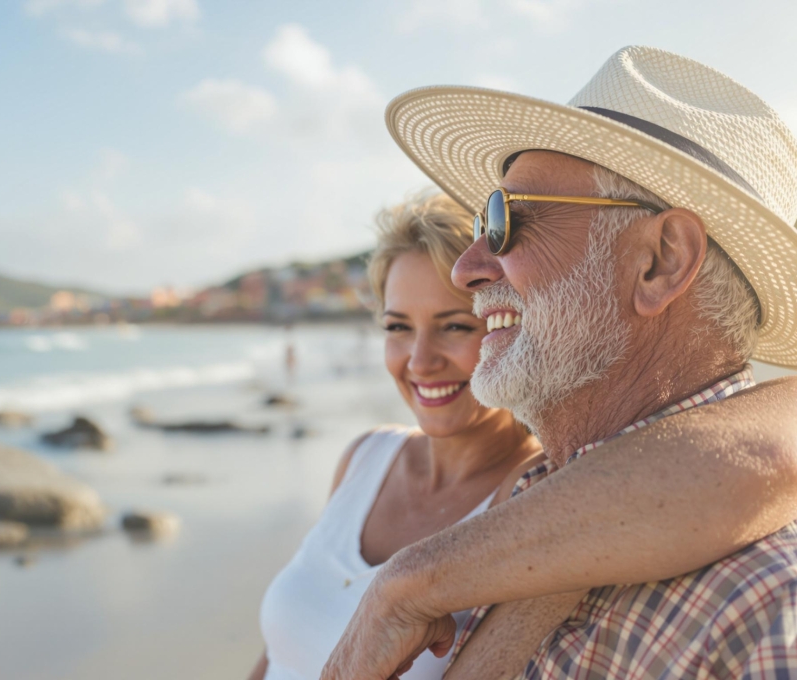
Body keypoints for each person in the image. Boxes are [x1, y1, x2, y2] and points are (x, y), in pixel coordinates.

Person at [322, 45, 797, 679]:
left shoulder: (766, 610)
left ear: (660, 261)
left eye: (505, 220)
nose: (467, 268)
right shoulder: (529, 506)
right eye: (481, 222)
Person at [253, 187, 797, 676]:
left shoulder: (554, 505)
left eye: (456, 325)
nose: (419, 360)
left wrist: (406, 586)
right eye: (397, 326)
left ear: (660, 259)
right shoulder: (376, 458)